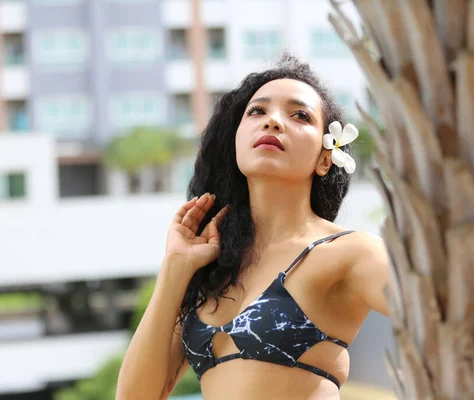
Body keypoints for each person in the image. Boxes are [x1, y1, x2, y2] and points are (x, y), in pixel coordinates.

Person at [116, 54, 391, 400]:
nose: (273, 121)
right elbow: (134, 396)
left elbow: (454, 319)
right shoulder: (214, 272)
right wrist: (176, 265)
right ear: (235, 141)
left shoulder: (349, 253)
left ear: (325, 158)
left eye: (300, 115)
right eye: (257, 111)